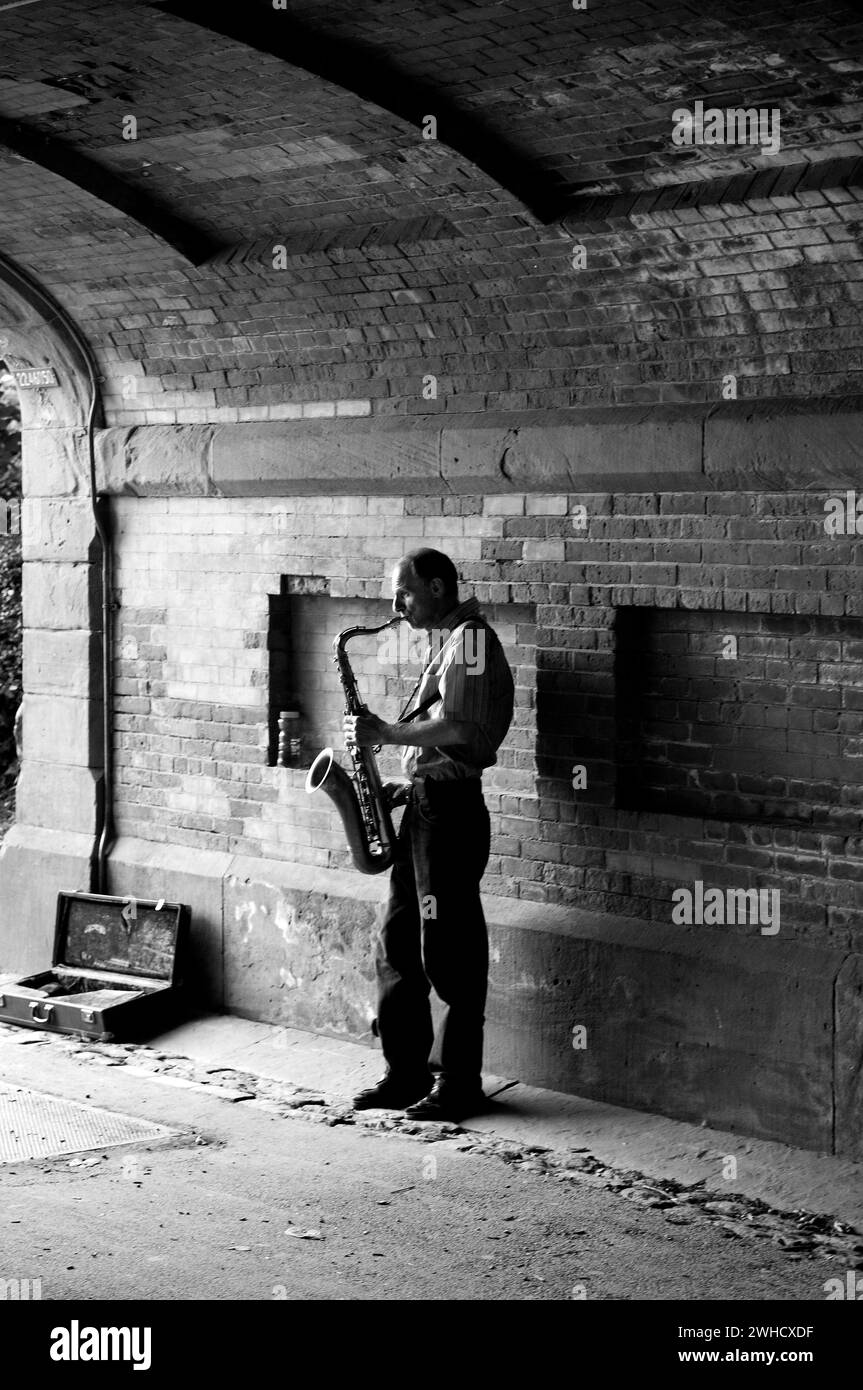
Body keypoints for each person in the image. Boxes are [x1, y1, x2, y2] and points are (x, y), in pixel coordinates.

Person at [343, 548, 514, 1123]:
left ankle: (460, 1082)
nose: (396, 606)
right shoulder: (448, 642)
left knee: (451, 951)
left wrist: (385, 733)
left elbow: (464, 731)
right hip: (427, 806)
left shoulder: (470, 641)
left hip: (452, 813)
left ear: (438, 587)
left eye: (406, 593)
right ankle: (406, 1073)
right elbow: (441, 739)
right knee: (396, 943)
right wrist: (404, 785)